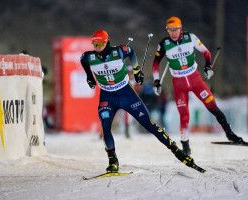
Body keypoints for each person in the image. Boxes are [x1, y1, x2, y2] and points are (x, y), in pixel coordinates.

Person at [80, 29, 197, 173]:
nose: (97, 47)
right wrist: (89, 77)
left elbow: (131, 52)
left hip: (126, 93)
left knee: (149, 124)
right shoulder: (89, 57)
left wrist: (136, 70)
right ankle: (113, 161)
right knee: (105, 127)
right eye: (94, 44)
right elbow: (83, 61)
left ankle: (177, 152)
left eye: (100, 44)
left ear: (106, 42)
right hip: (107, 97)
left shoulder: (119, 51)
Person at [151, 17, 243, 156]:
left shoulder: (191, 37)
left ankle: (230, 134)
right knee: (184, 114)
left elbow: (206, 52)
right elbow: (156, 63)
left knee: (212, 106)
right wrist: (156, 81)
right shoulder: (164, 44)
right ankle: (185, 145)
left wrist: (208, 67)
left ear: (180, 28)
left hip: (195, 79)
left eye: (175, 29)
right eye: (170, 30)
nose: (173, 32)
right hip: (179, 83)